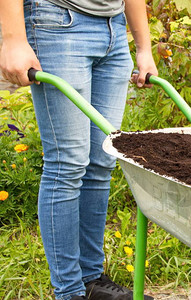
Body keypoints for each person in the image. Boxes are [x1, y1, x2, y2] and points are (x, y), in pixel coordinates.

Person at [0, 0, 158, 299]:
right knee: (68, 162)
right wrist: (13, 39)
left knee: (101, 162)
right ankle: (70, 291)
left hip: (114, 27)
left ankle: (91, 281)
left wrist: (143, 48)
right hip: (56, 24)